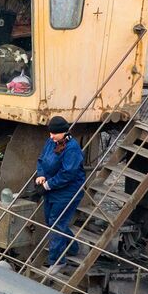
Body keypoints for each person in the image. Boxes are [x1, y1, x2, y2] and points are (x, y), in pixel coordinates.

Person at [34, 115, 86, 274]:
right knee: (52, 222)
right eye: (50, 133)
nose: (51, 136)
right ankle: (72, 247)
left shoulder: (72, 148)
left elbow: (68, 173)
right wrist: (40, 175)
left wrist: (49, 184)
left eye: (54, 134)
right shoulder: (51, 142)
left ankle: (57, 261)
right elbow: (42, 160)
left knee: (56, 223)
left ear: (63, 132)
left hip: (67, 192)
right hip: (51, 189)